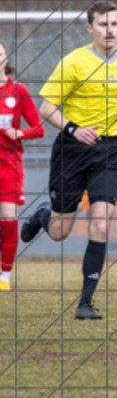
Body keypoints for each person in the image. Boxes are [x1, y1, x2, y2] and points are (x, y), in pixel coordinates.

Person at [21, 1, 117, 320]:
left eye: (115, 24)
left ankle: (85, 303)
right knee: (61, 230)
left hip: (108, 151)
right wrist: (74, 129)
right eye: (104, 25)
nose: (110, 30)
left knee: (101, 225)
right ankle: (42, 216)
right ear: (90, 29)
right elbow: (47, 107)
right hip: (71, 150)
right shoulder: (73, 62)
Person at [0, 42, 45, 291]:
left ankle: (4, 275)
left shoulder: (18, 90)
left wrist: (20, 133)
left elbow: (39, 128)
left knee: (7, 219)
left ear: (6, 59)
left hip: (8, 165)